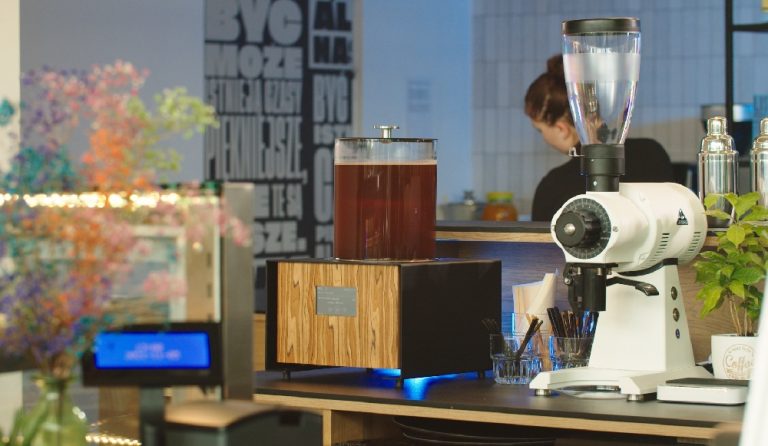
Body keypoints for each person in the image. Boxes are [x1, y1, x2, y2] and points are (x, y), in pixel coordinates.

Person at [525, 55, 674, 222]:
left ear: (562, 129)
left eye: (540, 130)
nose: (543, 138)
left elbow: (542, 239)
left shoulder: (553, 186)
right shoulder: (652, 153)